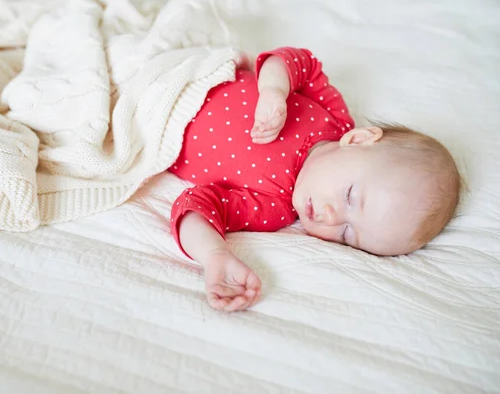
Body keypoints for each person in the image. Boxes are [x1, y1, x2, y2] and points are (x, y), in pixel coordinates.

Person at [168, 47, 461, 312]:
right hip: (196, 68)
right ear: (358, 140)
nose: (331, 218)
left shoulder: (274, 209)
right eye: (350, 197)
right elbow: (299, 63)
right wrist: (273, 89)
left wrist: (214, 255)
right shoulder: (333, 118)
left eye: (347, 235)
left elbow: (196, 205)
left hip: (152, 121)